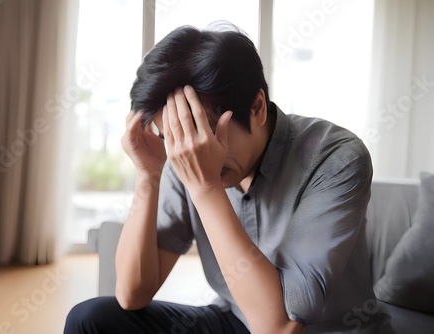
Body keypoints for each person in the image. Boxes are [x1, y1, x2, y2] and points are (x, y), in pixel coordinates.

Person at [65, 23, 394, 334]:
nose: (191, 151)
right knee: (91, 319)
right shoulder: (186, 153)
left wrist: (206, 188)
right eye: (174, 137)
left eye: (204, 134)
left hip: (319, 330)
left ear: (257, 107)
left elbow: (280, 327)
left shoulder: (335, 156)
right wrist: (148, 175)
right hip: (236, 321)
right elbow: (131, 295)